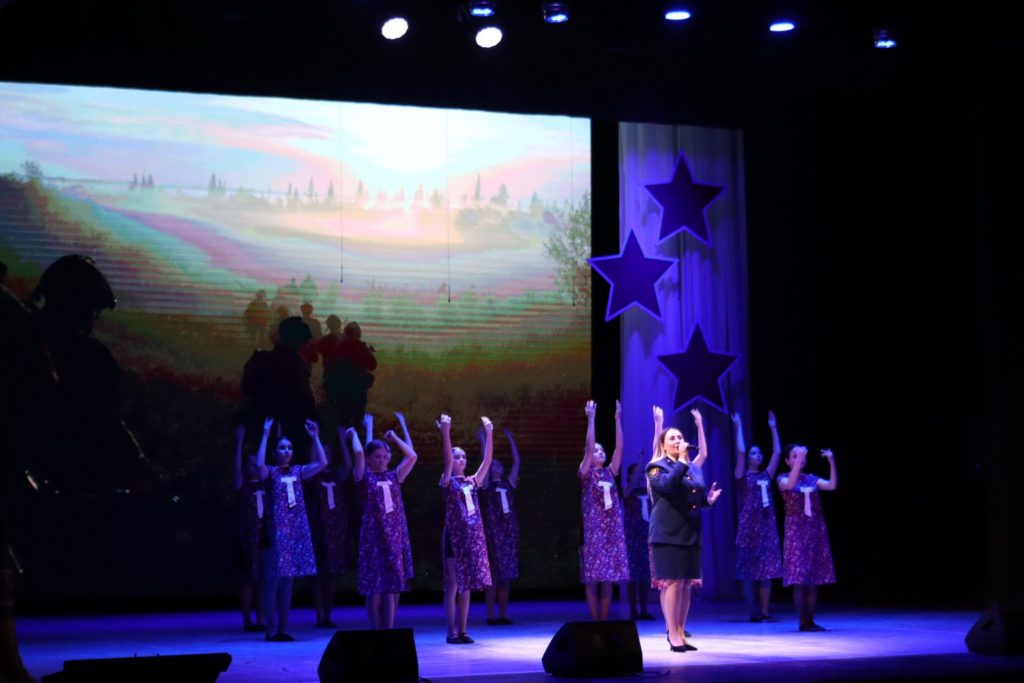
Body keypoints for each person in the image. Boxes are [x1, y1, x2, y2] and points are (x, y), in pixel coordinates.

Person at [647, 405, 722, 652]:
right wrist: (680, 460)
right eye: (672, 438)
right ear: (663, 444)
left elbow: (692, 497)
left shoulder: (690, 468)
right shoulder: (656, 467)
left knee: (687, 584)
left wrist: (707, 501)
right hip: (667, 534)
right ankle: (672, 634)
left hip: (690, 531)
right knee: (674, 583)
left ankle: (680, 631)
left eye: (680, 437)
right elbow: (669, 486)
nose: (678, 440)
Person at [257, 417, 327, 642]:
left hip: (295, 533)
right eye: (282, 448)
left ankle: (284, 628)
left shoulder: (298, 471)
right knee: (273, 581)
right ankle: (270, 629)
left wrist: (315, 437)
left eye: (289, 447)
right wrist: (265, 436)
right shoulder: (270, 472)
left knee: (288, 581)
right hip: (276, 534)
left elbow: (322, 463)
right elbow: (258, 466)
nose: (287, 451)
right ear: (274, 452)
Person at [351, 418, 418, 629]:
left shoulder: (395, 476)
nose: (381, 460)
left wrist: (395, 437)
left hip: (393, 536)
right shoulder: (364, 477)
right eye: (377, 457)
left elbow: (412, 456)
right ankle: (375, 632)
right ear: (369, 459)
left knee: (390, 588)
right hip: (373, 538)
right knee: (374, 589)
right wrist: (354, 434)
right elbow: (359, 453)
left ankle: (388, 632)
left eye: (384, 456)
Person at [438, 414, 493, 644]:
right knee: (453, 584)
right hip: (454, 538)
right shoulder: (448, 481)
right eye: (457, 456)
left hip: (472, 539)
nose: (460, 459)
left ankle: (463, 630)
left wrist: (489, 433)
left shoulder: (472, 481)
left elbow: (487, 461)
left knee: (467, 584)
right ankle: (451, 631)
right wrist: (446, 432)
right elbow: (447, 461)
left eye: (463, 456)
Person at [578, 400, 629, 621]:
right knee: (592, 578)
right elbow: (589, 448)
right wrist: (591, 419)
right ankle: (594, 620)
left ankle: (604, 620)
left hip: (611, 532)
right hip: (593, 533)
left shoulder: (610, 472)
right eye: (595, 450)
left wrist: (617, 419)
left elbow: (619, 448)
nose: (599, 452)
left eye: (601, 449)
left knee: (608, 577)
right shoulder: (585, 473)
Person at [777, 444, 837, 631]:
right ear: (787, 461)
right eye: (794, 456)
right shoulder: (783, 478)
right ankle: (803, 622)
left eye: (801, 455)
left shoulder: (811, 479)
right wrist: (798, 461)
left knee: (812, 579)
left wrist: (831, 461)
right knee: (799, 579)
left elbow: (831, 485)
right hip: (796, 533)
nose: (800, 458)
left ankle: (810, 621)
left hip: (814, 531)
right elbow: (790, 485)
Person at [732, 410, 784, 622]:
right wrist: (738, 426)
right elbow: (740, 451)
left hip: (766, 528)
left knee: (766, 571)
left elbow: (777, 453)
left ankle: (765, 611)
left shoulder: (766, 475)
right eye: (754, 453)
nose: (758, 455)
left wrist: (773, 428)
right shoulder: (742, 476)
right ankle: (752, 611)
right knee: (748, 571)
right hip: (748, 529)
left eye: (759, 453)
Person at [304, 427, 353, 628]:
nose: (326, 455)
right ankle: (319, 614)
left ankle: (328, 614)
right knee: (317, 574)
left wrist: (342, 440)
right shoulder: (311, 475)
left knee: (332, 573)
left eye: (328, 452)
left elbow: (348, 465)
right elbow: (312, 461)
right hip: (317, 528)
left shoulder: (335, 475)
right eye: (322, 452)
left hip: (335, 529)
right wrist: (314, 438)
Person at [478, 427, 521, 625]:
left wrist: (511, 439)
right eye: (492, 465)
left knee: (506, 576)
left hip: (509, 532)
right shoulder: (487, 485)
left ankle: (503, 614)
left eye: (497, 465)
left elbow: (517, 462)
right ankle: (490, 615)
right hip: (493, 532)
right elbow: (484, 462)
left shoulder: (508, 484)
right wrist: (483, 440)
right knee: (493, 575)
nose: (494, 466)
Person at [232, 423, 266, 633]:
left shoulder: (266, 483)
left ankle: (261, 619)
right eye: (250, 464)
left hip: (265, 538)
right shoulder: (242, 485)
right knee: (248, 580)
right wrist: (239, 441)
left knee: (263, 580)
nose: (254, 466)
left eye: (256, 463)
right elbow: (236, 469)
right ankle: (247, 619)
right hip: (248, 539)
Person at [323, 321, 377, 430]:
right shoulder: (361, 347)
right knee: (358, 416)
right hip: (358, 387)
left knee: (343, 418)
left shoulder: (340, 347)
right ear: (358, 334)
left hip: (342, 387)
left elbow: (329, 364)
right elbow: (372, 365)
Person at [622, 462, 655, 620]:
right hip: (632, 536)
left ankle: (644, 609)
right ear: (629, 475)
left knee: (646, 575)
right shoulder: (627, 490)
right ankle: (633, 610)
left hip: (646, 534)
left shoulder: (646, 491)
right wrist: (640, 464)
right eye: (636, 472)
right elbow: (629, 488)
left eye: (641, 472)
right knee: (633, 575)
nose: (640, 475)